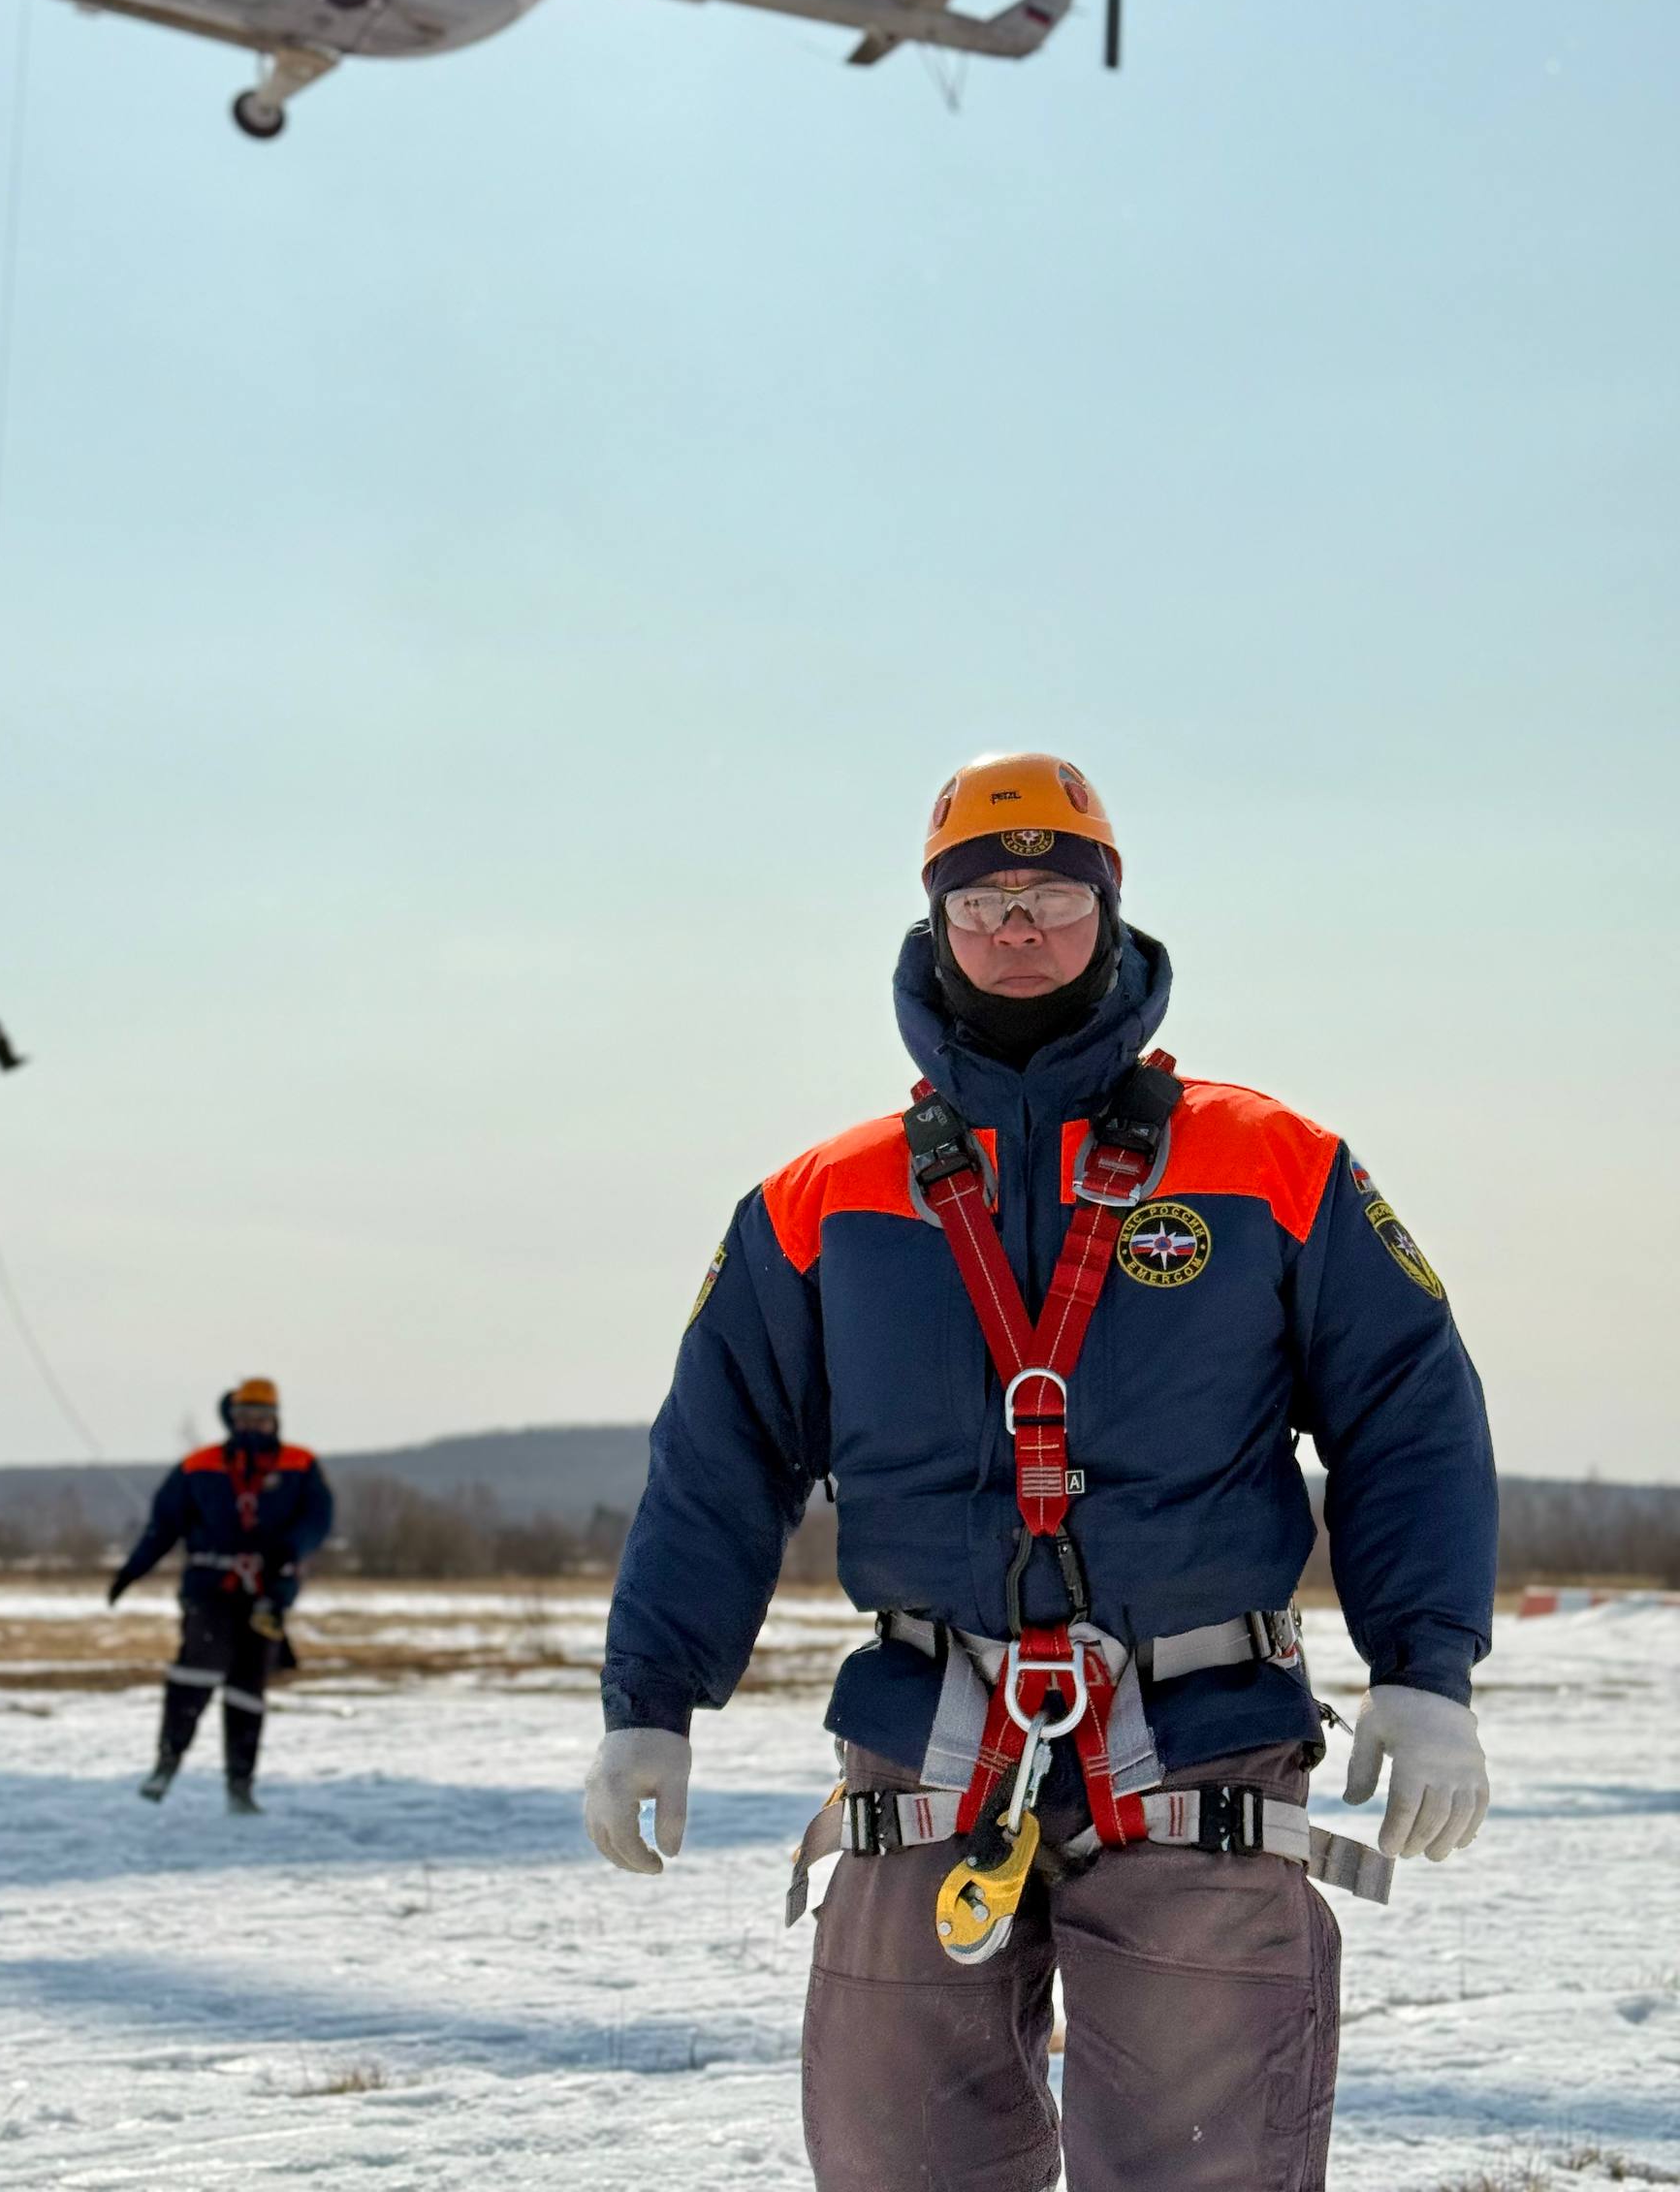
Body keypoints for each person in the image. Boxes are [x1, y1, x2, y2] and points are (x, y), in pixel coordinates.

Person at [585, 751, 1497, 2192]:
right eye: (986, 898)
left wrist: (1426, 1667)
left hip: (1198, 1739)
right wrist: (652, 1698)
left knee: (1210, 2168)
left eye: (1055, 895)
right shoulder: (820, 1201)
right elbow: (719, 1459)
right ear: (937, 921)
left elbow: (1411, 1414)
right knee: (902, 2169)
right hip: (924, 1748)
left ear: (1112, 914)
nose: (1020, 926)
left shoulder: (1273, 1164)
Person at [108, 1378, 333, 1814]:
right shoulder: (199, 1466)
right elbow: (162, 1527)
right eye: (246, 1417)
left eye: (262, 1417)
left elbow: (318, 1520)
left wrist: (290, 1550)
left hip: (268, 1593)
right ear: (231, 1417)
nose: (254, 1424)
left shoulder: (300, 1465)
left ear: (275, 1419)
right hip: (210, 1589)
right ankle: (166, 1766)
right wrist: (131, 1572)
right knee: (195, 1673)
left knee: (248, 1689)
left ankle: (240, 1788)